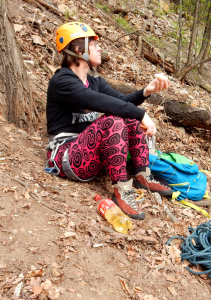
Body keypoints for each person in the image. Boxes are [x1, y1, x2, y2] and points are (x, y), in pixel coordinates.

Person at [46, 22, 173, 220]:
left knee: (126, 116)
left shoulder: (95, 82)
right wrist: (142, 115)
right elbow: (103, 103)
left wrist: (146, 92)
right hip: (68, 157)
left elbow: (121, 103)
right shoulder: (62, 81)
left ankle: (142, 176)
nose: (99, 48)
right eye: (94, 44)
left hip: (92, 156)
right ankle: (121, 190)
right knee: (114, 119)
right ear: (78, 50)